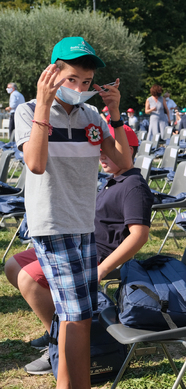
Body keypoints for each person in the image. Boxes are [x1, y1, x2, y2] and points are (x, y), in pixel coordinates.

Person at [14, 36, 133, 389]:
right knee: (79, 317)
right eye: (72, 80)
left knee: (74, 316)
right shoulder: (28, 111)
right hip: (53, 224)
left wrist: (114, 115)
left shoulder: (90, 115)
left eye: (85, 83)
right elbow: (35, 164)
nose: (79, 89)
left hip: (83, 223)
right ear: (52, 74)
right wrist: (44, 106)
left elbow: (122, 163)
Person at [5, 127, 152, 375]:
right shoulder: (113, 180)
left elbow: (139, 235)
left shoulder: (133, 186)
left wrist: (103, 268)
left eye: (109, 152)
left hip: (95, 256)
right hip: (77, 243)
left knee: (28, 279)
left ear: (130, 151)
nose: (103, 157)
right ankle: (58, 329)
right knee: (13, 266)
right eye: (101, 153)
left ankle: (60, 345)